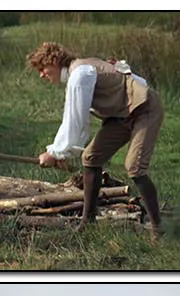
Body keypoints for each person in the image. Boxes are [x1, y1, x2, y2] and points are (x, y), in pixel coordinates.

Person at [26, 41, 165, 237]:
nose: (41, 74)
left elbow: (75, 121)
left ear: (55, 60)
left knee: (134, 167)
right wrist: (62, 152)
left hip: (144, 109)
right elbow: (76, 119)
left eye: (43, 68)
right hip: (121, 115)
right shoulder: (78, 72)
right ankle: (88, 222)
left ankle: (157, 228)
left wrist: (54, 152)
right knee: (90, 158)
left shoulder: (80, 75)